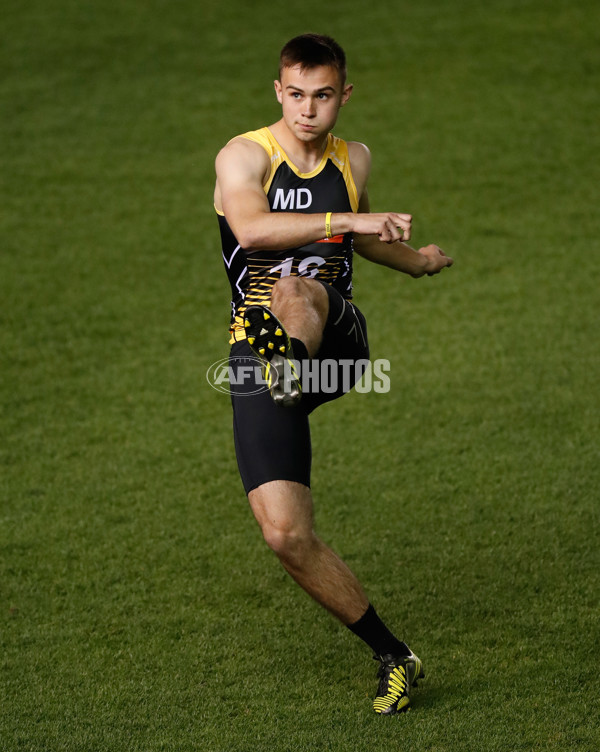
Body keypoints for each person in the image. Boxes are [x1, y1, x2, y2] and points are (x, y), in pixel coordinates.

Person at [213, 33, 453, 715]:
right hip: (260, 352)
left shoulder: (355, 160)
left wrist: (421, 260)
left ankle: (289, 364)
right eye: (296, 94)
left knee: (295, 289)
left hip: (336, 342)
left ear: (343, 95)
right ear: (278, 92)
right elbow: (253, 231)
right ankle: (393, 654)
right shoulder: (244, 156)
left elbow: (368, 241)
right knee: (284, 533)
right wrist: (352, 218)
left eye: (323, 96)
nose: (308, 110)